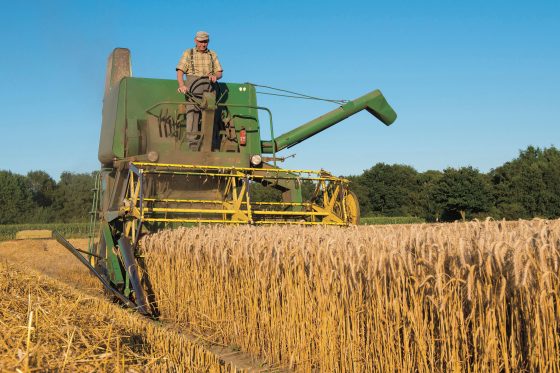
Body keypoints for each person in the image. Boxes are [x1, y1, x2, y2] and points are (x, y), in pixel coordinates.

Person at [175, 31, 223, 149]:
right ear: (195, 41)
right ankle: (193, 145)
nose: (203, 44)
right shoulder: (188, 53)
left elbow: (219, 72)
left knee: (211, 116)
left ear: (208, 42)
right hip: (193, 91)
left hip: (209, 91)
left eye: (205, 42)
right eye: (201, 42)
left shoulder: (212, 54)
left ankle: (211, 145)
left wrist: (215, 76)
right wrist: (182, 85)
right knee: (192, 114)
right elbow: (180, 70)